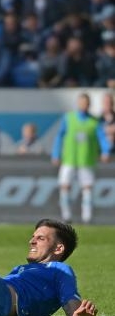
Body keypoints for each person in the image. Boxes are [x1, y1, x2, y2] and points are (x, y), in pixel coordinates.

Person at [51, 93, 110, 224]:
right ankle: (66, 216)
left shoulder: (94, 122)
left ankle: (86, 217)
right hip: (69, 159)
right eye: (81, 102)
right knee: (65, 186)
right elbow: (60, 136)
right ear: (78, 104)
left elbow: (102, 137)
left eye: (86, 103)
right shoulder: (69, 118)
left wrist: (106, 151)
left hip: (86, 159)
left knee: (87, 188)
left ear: (89, 104)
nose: (84, 105)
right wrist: (56, 154)